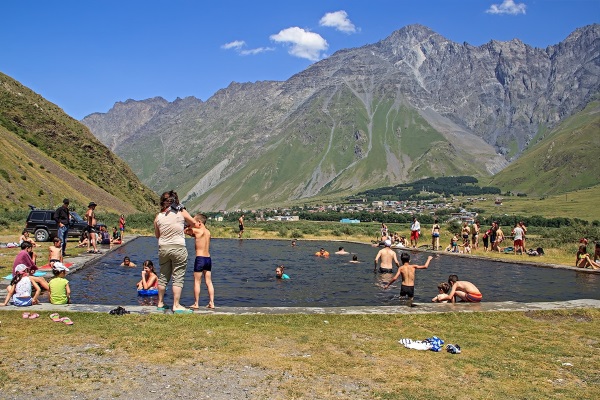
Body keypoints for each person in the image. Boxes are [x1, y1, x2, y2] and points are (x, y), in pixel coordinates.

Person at [154, 190, 198, 313]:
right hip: (178, 247)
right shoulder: (181, 212)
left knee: (163, 276)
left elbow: (157, 235)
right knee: (178, 276)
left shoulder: (158, 217)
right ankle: (176, 305)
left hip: (163, 248)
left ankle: (160, 303)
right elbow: (194, 223)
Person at [184, 213, 215, 310]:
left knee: (197, 282)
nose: (193, 224)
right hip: (208, 259)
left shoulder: (197, 231)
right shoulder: (208, 232)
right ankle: (212, 302)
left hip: (200, 258)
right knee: (209, 282)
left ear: (199, 222)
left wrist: (189, 225)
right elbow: (197, 237)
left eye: (194, 222)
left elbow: (185, 231)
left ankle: (196, 303)